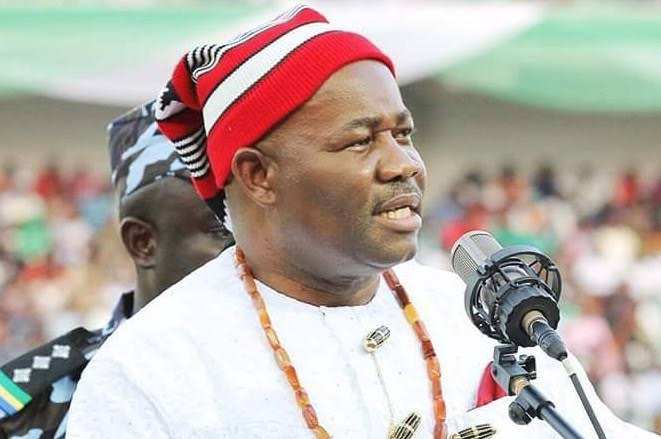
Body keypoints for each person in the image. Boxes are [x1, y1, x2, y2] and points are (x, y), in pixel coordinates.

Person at [66, 6, 658, 439]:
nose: (405, 164)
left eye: (403, 134)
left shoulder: (475, 314)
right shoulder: (152, 370)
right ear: (258, 175)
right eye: (360, 140)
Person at [0, 101, 233, 439]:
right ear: (143, 242)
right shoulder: (35, 409)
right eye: (221, 231)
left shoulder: (300, 366)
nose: (247, 252)